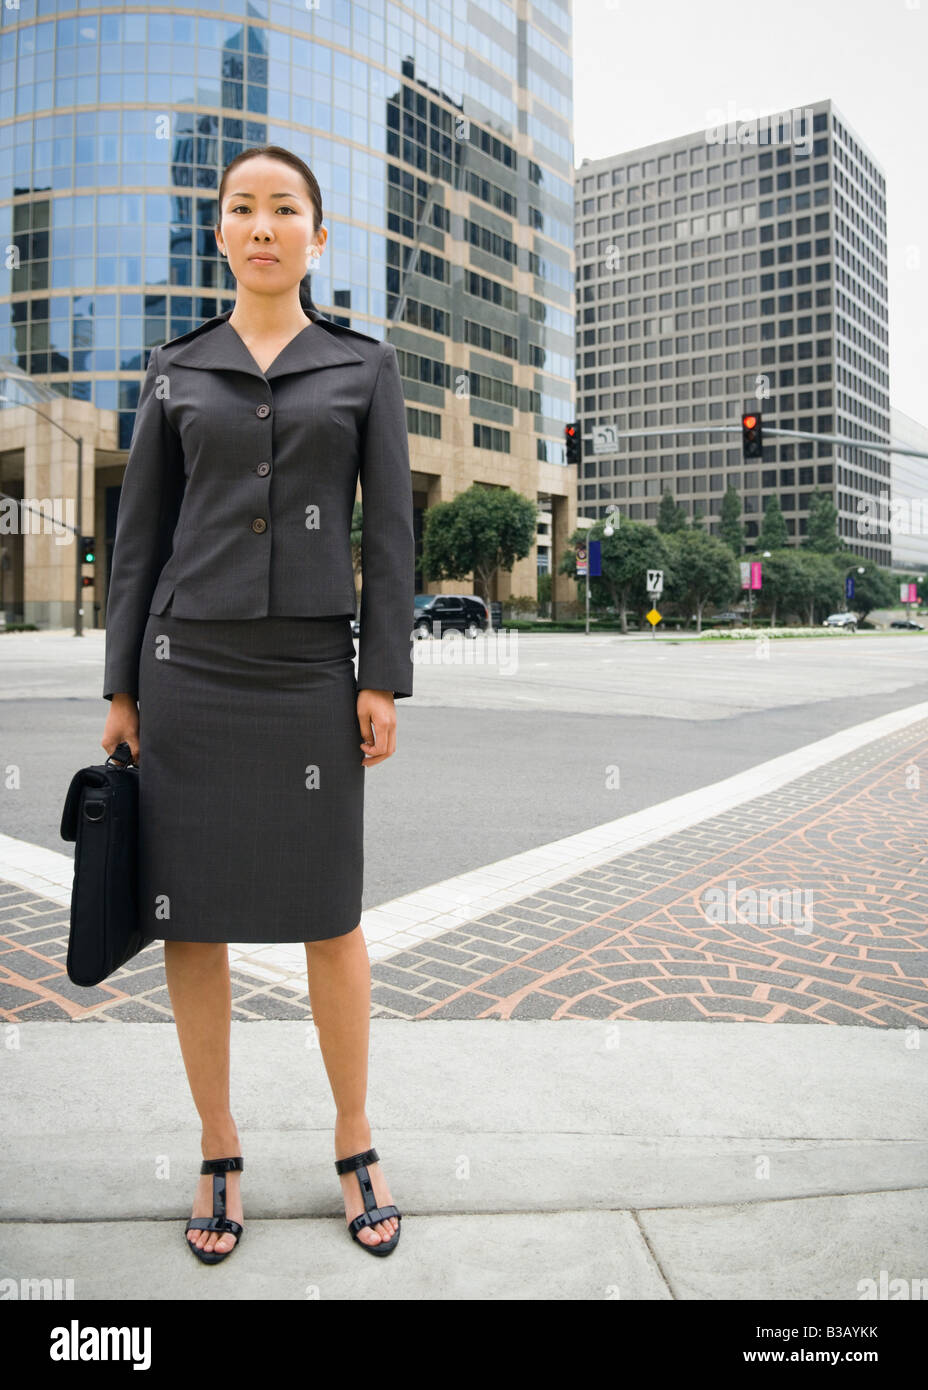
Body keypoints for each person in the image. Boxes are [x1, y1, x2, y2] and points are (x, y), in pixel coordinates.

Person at [101, 144, 415, 1261]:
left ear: (317, 238)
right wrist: (124, 685)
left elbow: (388, 534)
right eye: (243, 209)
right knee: (196, 917)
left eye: (285, 209)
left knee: (331, 914)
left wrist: (379, 675)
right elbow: (137, 540)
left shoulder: (362, 368)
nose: (264, 225)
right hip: (191, 673)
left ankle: (353, 1136)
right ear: (221, 233)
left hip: (307, 676)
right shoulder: (176, 368)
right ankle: (219, 1147)